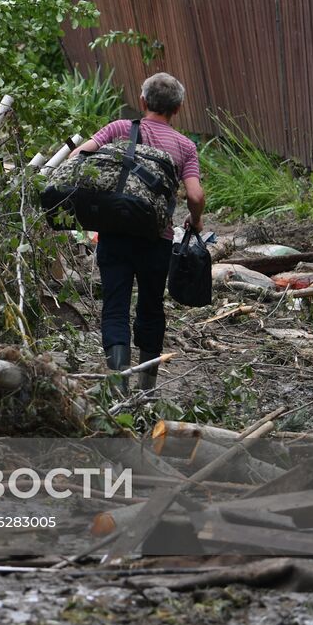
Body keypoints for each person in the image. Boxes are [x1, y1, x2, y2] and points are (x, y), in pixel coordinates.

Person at [69, 72, 204, 394]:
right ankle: (148, 388)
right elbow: (195, 196)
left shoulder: (119, 129)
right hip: (156, 239)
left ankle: (118, 386)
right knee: (151, 307)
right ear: (179, 108)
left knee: (115, 305)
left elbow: (77, 157)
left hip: (115, 235)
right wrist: (196, 222)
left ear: (143, 102)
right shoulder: (185, 146)